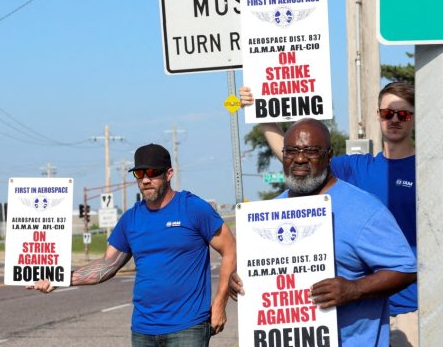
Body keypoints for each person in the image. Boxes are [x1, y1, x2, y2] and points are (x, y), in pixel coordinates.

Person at [239, 82, 419, 346]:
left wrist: (354, 289)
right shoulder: (355, 167)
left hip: (410, 305)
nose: (393, 119)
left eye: (402, 114)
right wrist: (259, 110)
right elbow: (298, 153)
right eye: (386, 113)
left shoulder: (426, 169)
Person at [29, 143, 237, 346]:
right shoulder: (131, 219)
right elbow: (107, 265)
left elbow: (230, 250)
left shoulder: (192, 208)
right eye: (139, 174)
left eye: (153, 172)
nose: (146, 180)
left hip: (187, 327)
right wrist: (59, 278)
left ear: (169, 174)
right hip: (143, 330)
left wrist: (219, 303)